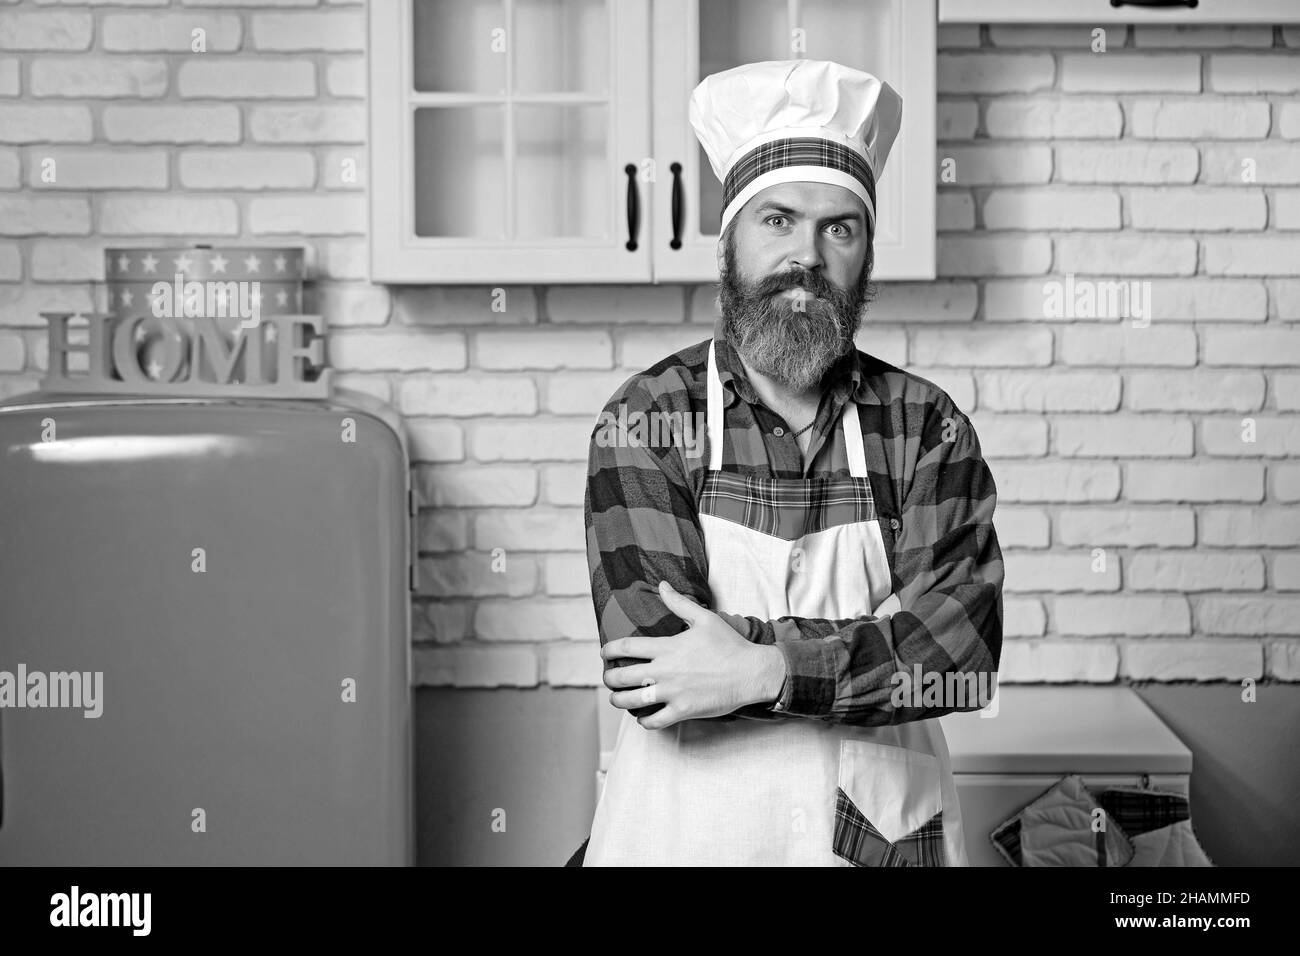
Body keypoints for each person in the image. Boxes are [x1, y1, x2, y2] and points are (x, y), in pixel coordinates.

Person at [575, 59, 1004, 867]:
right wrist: (877, 647)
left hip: (876, 841)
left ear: (865, 254)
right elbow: (655, 669)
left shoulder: (923, 426)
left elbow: (962, 661)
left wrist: (761, 669)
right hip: (685, 838)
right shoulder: (649, 418)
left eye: (839, 228)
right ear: (729, 240)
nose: (806, 256)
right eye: (778, 220)